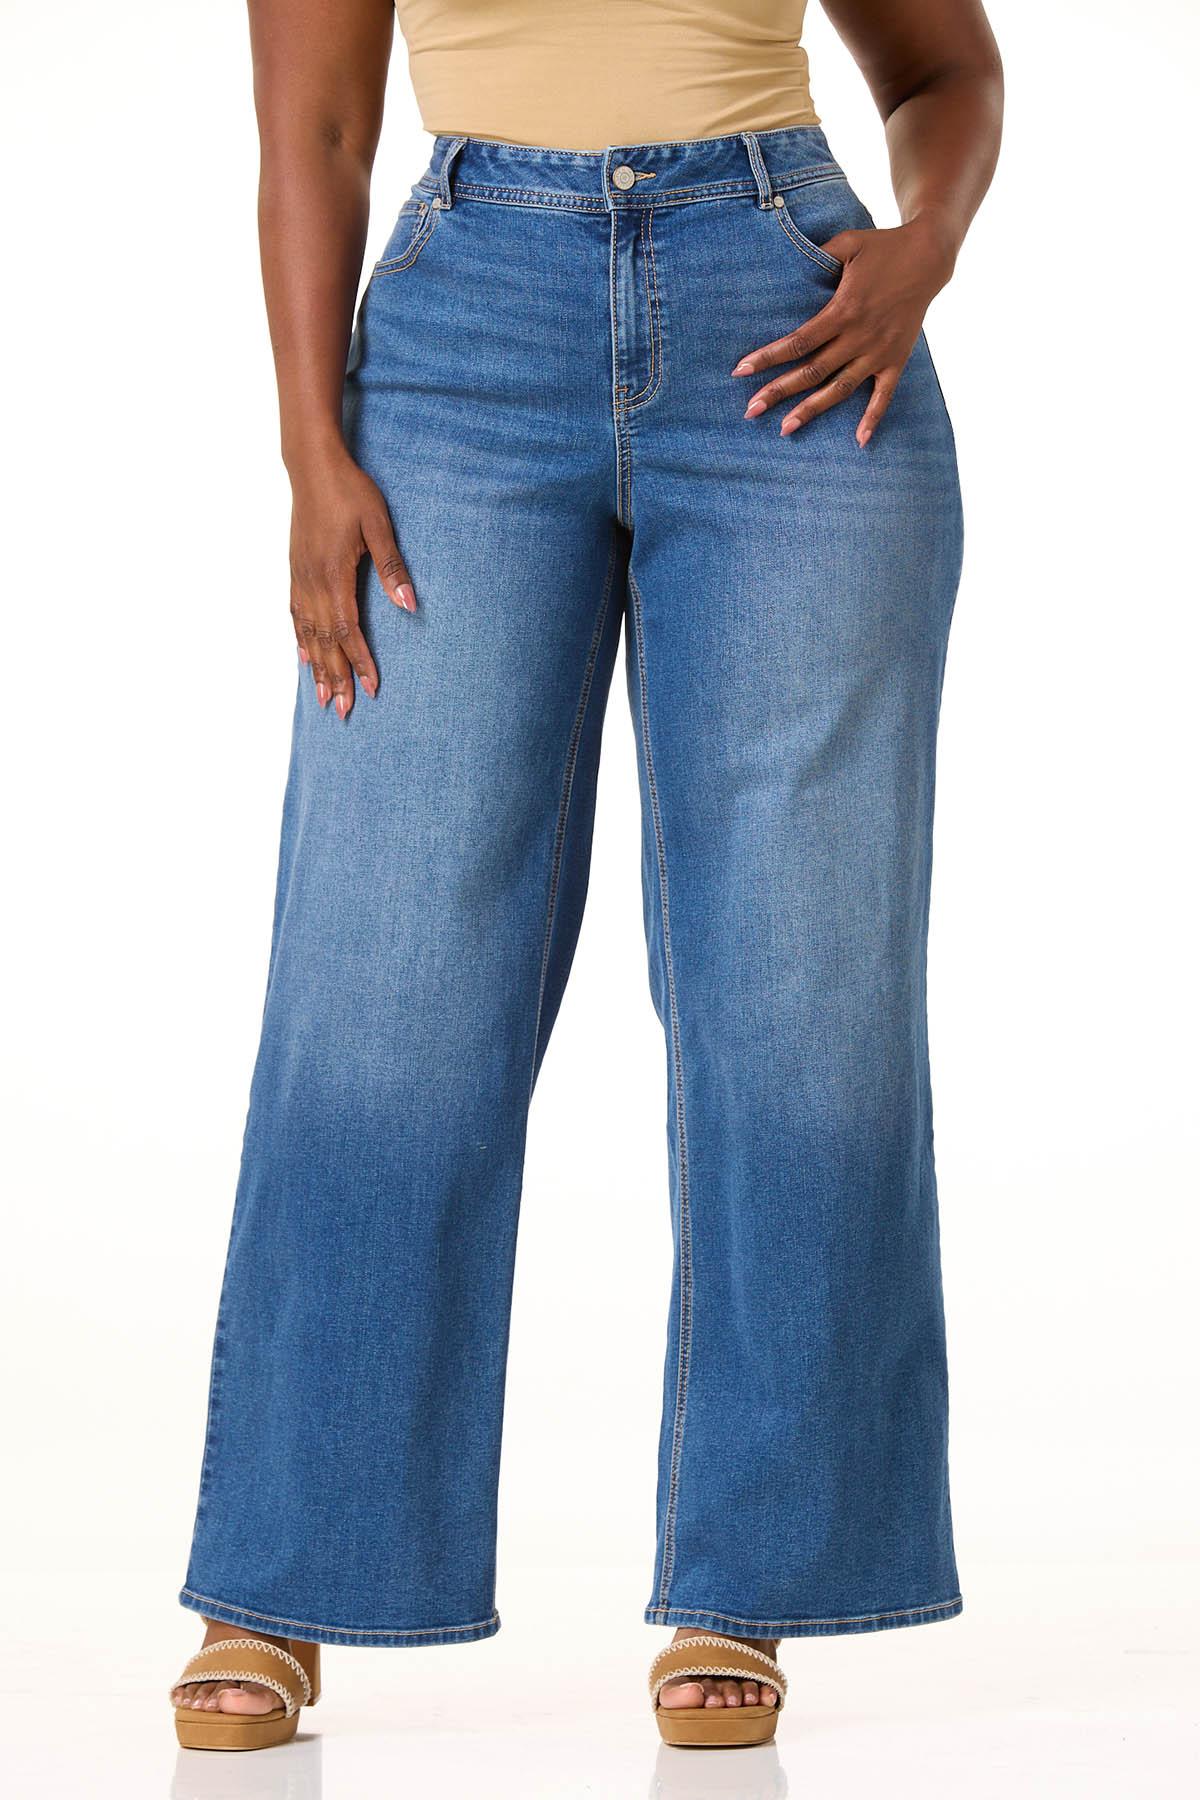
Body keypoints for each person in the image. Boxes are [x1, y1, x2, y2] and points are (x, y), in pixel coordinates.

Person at [170, 0, 1002, 1753]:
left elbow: (944, 71)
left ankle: (752, 1576)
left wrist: (923, 245)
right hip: (463, 341)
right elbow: (315, 133)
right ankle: (284, 1570)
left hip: (791, 329)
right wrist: (311, 446)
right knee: (384, 981)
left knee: (800, 995)